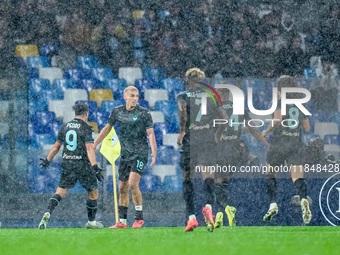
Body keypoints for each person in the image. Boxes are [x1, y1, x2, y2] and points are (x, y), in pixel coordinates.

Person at [93, 86, 157, 229]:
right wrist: (95, 143)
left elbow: (151, 133)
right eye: (132, 96)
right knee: (122, 187)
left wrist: (154, 151)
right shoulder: (117, 111)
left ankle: (139, 218)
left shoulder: (144, 113)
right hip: (125, 155)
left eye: (137, 96)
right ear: (125, 97)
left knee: (133, 183)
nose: (135, 99)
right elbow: (107, 128)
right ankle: (122, 222)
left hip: (140, 153)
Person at [38, 103, 105, 229]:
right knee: (93, 193)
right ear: (86, 114)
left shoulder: (65, 127)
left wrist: (47, 160)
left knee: (60, 192)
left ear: (75, 113)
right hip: (83, 165)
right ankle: (91, 222)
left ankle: (48, 212)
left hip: (68, 163)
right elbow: (90, 149)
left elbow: (56, 147)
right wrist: (95, 166)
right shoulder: (87, 128)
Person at [177, 68, 226, 232]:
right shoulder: (212, 95)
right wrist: (216, 134)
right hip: (207, 140)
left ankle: (191, 217)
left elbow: (182, 114)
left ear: (188, 80)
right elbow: (224, 119)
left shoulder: (183, 96)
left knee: (187, 177)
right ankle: (208, 206)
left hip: (191, 140)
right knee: (208, 175)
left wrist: (182, 131)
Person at [213, 86, 270, 229]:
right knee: (224, 180)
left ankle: (223, 209)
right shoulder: (239, 109)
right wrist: (267, 145)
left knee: (217, 182)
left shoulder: (215, 109)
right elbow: (254, 130)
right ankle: (223, 211)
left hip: (222, 149)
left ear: (222, 94)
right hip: (236, 150)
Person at [261, 75, 312, 224]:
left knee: (270, 173)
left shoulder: (279, 102)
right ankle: (303, 198)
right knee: (297, 177)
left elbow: (277, 120)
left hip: (279, 143)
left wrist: (266, 131)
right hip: (296, 143)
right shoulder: (300, 104)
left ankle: (273, 204)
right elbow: (307, 128)